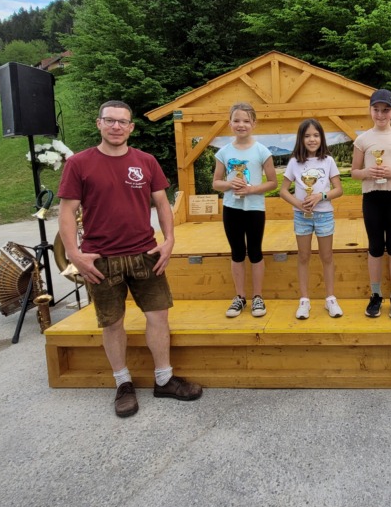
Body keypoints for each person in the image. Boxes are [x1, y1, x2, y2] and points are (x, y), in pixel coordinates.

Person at [58, 100, 202, 419]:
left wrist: (169, 241)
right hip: (101, 258)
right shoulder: (79, 163)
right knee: (112, 323)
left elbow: (162, 204)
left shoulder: (145, 161)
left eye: (123, 122)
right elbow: (67, 211)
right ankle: (123, 384)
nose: (116, 127)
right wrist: (74, 255)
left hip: (145, 254)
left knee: (158, 316)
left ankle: (164, 379)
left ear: (131, 127)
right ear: (99, 123)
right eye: (110, 120)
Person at [351, 89, 391, 320]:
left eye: (385, 110)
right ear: (370, 110)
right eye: (376, 109)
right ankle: (376, 294)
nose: (380, 114)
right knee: (375, 246)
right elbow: (354, 172)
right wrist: (367, 172)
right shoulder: (362, 139)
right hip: (372, 197)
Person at [212, 102, 277, 319]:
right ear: (229, 123)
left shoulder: (262, 151)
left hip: (255, 208)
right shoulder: (223, 152)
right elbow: (216, 183)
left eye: (246, 121)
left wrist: (251, 189)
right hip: (231, 208)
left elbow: (273, 182)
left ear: (254, 123)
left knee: (255, 251)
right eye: (237, 120)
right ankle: (240, 297)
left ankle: (258, 296)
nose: (241, 125)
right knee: (237, 252)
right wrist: (230, 184)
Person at [279, 119, 344, 319]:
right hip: (302, 216)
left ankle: (330, 299)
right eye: (307, 136)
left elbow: (338, 189)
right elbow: (283, 191)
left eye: (316, 135)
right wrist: (299, 204)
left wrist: (320, 196)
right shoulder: (294, 162)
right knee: (303, 256)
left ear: (321, 138)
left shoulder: (328, 161)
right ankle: (304, 300)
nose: (312, 139)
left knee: (327, 256)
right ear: (301, 139)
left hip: (324, 215)